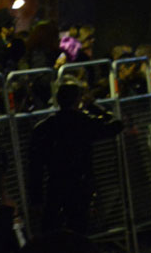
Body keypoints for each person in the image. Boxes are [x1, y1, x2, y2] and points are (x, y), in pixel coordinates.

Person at [28, 82, 124, 235]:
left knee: (52, 228)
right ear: (77, 100)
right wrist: (94, 107)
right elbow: (115, 125)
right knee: (79, 225)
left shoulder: (44, 127)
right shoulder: (84, 122)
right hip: (80, 182)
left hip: (56, 182)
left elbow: (35, 166)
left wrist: (36, 197)